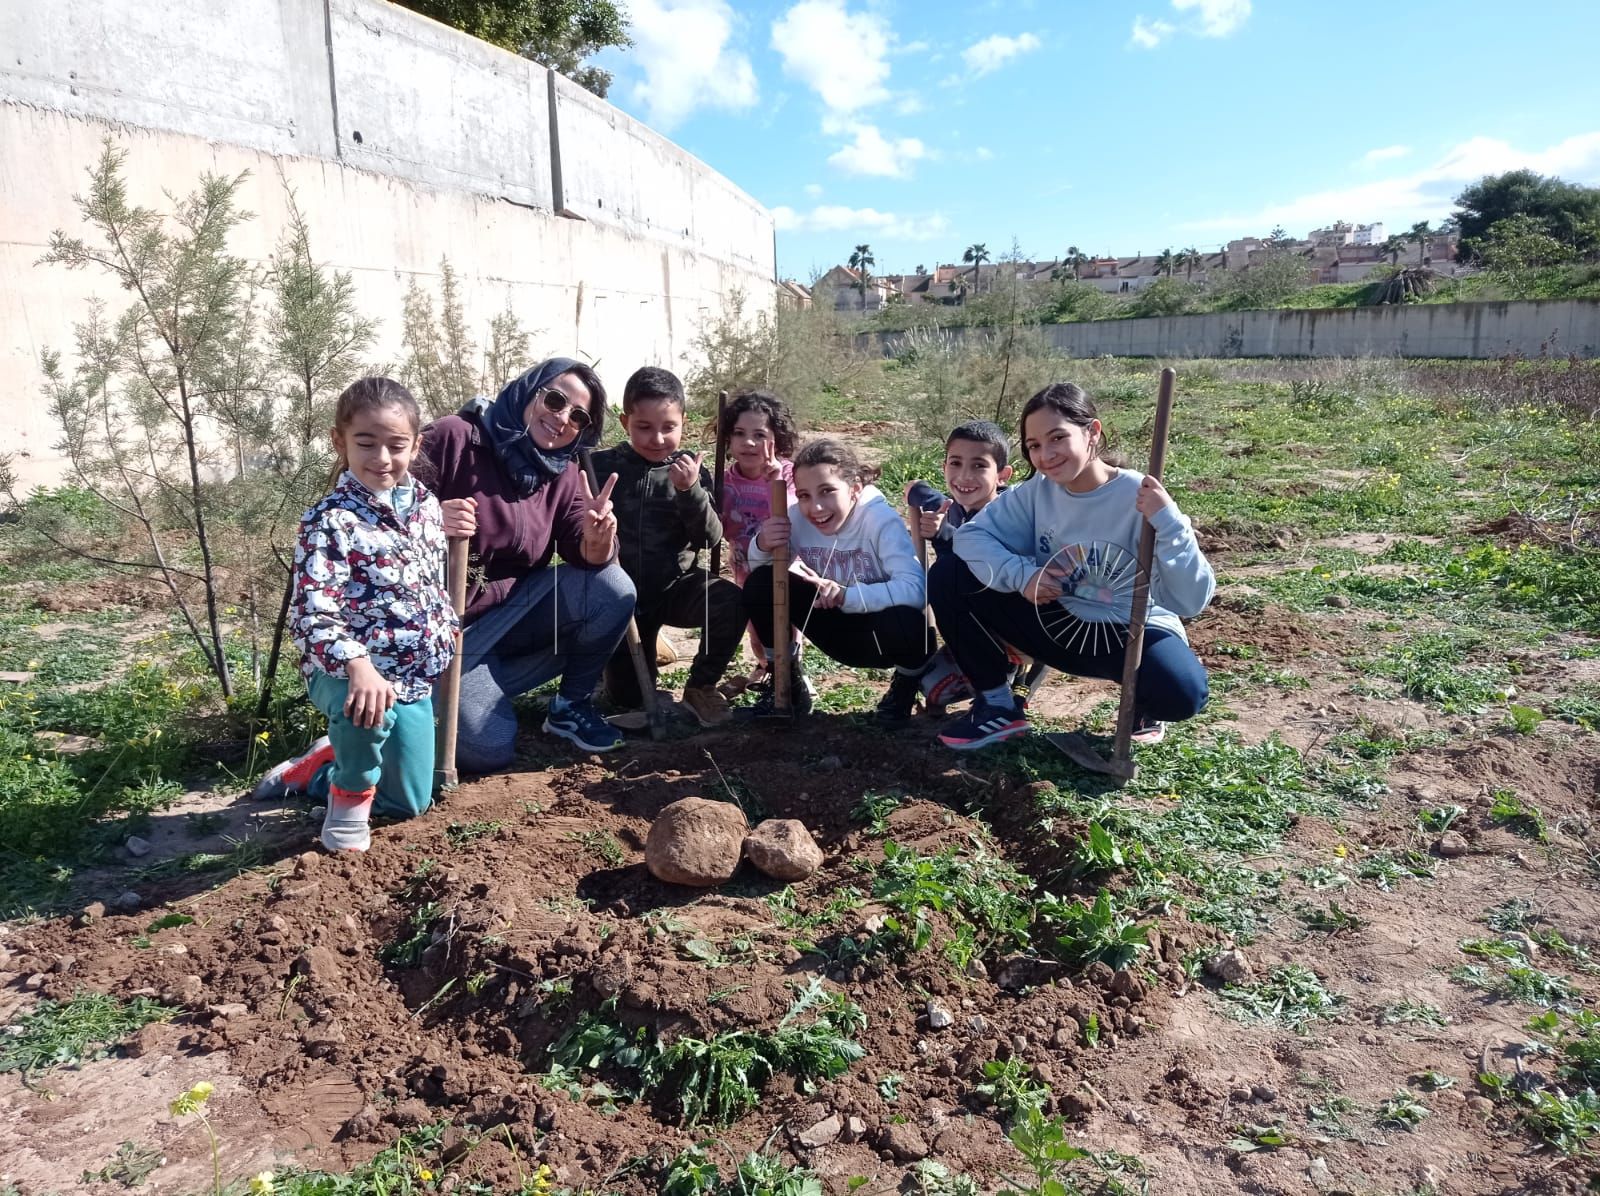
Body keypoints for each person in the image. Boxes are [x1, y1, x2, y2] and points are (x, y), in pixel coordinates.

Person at [929, 382, 1213, 751]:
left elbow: (1190, 601)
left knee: (1182, 693)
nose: (1046, 455)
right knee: (950, 574)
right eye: (1034, 445)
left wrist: (1172, 524)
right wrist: (1025, 576)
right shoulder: (1037, 493)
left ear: (1092, 432)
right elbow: (971, 539)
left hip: (1127, 632)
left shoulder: (1140, 498)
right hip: (1056, 622)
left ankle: (1144, 707)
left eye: (1057, 438)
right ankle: (998, 705)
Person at [254, 378, 456, 852]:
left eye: (396, 445)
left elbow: (427, 584)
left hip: (409, 675)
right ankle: (346, 802)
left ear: (416, 445)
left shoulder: (425, 507)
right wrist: (358, 665)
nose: (381, 457)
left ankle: (317, 771)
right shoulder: (328, 521)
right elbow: (313, 611)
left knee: (410, 803)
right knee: (367, 707)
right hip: (343, 671)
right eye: (366, 443)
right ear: (339, 441)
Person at [421, 357, 635, 764]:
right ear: (528, 389)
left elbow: (584, 554)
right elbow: (379, 507)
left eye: (578, 417)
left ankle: (569, 707)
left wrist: (598, 540)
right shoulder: (455, 438)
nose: (562, 419)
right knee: (487, 749)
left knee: (613, 588)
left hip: (516, 617)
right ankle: (446, 694)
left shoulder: (565, 473)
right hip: (447, 628)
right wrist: (430, 518)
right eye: (554, 400)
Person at [744, 438, 936, 723]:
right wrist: (761, 545)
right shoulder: (795, 518)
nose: (816, 508)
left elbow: (915, 589)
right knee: (762, 582)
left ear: (855, 488)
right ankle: (786, 679)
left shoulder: (880, 520)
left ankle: (903, 690)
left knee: (909, 625)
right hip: (832, 624)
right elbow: (765, 580)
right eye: (805, 495)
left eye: (827, 491)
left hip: (881, 635)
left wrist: (849, 596)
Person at [593, 367, 743, 727]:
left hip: (676, 588)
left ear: (683, 423)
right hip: (621, 600)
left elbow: (710, 537)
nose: (657, 438)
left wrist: (689, 490)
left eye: (668, 427)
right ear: (625, 420)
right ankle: (640, 651)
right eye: (644, 427)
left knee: (730, 601)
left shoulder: (691, 470)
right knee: (627, 698)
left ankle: (701, 687)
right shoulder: (600, 467)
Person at [904, 419, 1015, 709]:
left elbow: (982, 564)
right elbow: (921, 491)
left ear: (1002, 475)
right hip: (975, 628)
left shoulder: (1010, 515)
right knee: (934, 689)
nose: (964, 476)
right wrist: (915, 491)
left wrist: (943, 537)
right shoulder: (952, 508)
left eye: (979, 466)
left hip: (1016, 627)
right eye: (955, 463)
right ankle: (988, 674)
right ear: (944, 468)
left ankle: (1008, 685)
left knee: (945, 575)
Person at [717, 389, 799, 686]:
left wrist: (774, 482)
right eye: (739, 433)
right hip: (744, 567)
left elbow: (793, 515)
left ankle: (791, 674)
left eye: (760, 435)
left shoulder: (788, 474)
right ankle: (767, 666)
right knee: (755, 626)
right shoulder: (724, 482)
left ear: (777, 438)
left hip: (783, 567)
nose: (749, 442)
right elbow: (718, 526)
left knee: (786, 623)